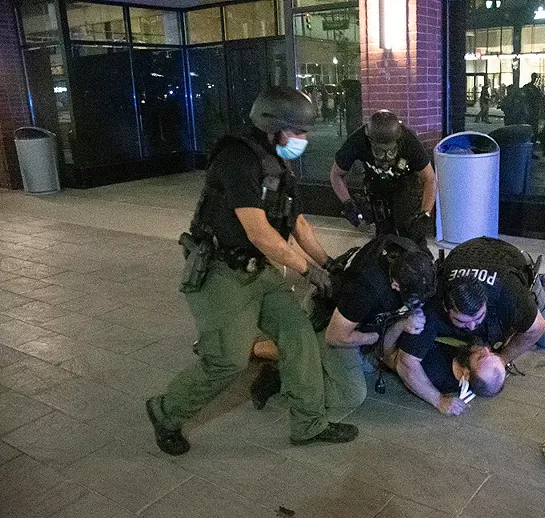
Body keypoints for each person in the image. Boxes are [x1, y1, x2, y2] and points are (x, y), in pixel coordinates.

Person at [145, 86, 359, 456]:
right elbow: (260, 233)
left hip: (259, 271)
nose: (304, 139)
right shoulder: (236, 159)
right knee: (227, 360)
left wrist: (328, 263)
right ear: (272, 126)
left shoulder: (279, 163)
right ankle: (165, 412)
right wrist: (309, 271)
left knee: (299, 335)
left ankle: (309, 424)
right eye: (298, 131)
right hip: (220, 272)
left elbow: (298, 224)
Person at [249, 234, 437, 410]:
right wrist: (372, 337)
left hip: (359, 318)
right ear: (395, 284)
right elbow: (335, 336)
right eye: (411, 298)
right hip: (330, 320)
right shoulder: (365, 290)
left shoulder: (415, 259)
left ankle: (274, 347)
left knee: (369, 366)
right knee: (351, 394)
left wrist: (404, 320)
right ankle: (281, 377)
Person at [383, 237, 545, 416]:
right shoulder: (433, 306)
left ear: (485, 303)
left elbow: (537, 328)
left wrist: (503, 358)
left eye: (478, 318)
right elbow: (405, 362)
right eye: (462, 321)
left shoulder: (506, 294)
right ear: (447, 309)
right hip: (465, 251)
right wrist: (438, 400)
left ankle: (542, 288)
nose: (470, 326)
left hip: (508, 258)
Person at [330, 110, 437, 245]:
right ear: (370, 141)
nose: (386, 157)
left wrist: (425, 214)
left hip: (406, 183)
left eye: (391, 151)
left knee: (410, 232)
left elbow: (430, 178)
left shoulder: (409, 140)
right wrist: (347, 203)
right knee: (384, 236)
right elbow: (336, 174)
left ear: (398, 140)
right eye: (380, 151)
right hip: (376, 184)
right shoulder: (357, 141)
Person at [522, 73, 545, 147]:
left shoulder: (534, 88)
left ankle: (532, 147)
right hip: (530, 112)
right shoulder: (530, 88)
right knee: (531, 130)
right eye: (535, 77)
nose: (535, 79)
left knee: (533, 130)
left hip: (533, 112)